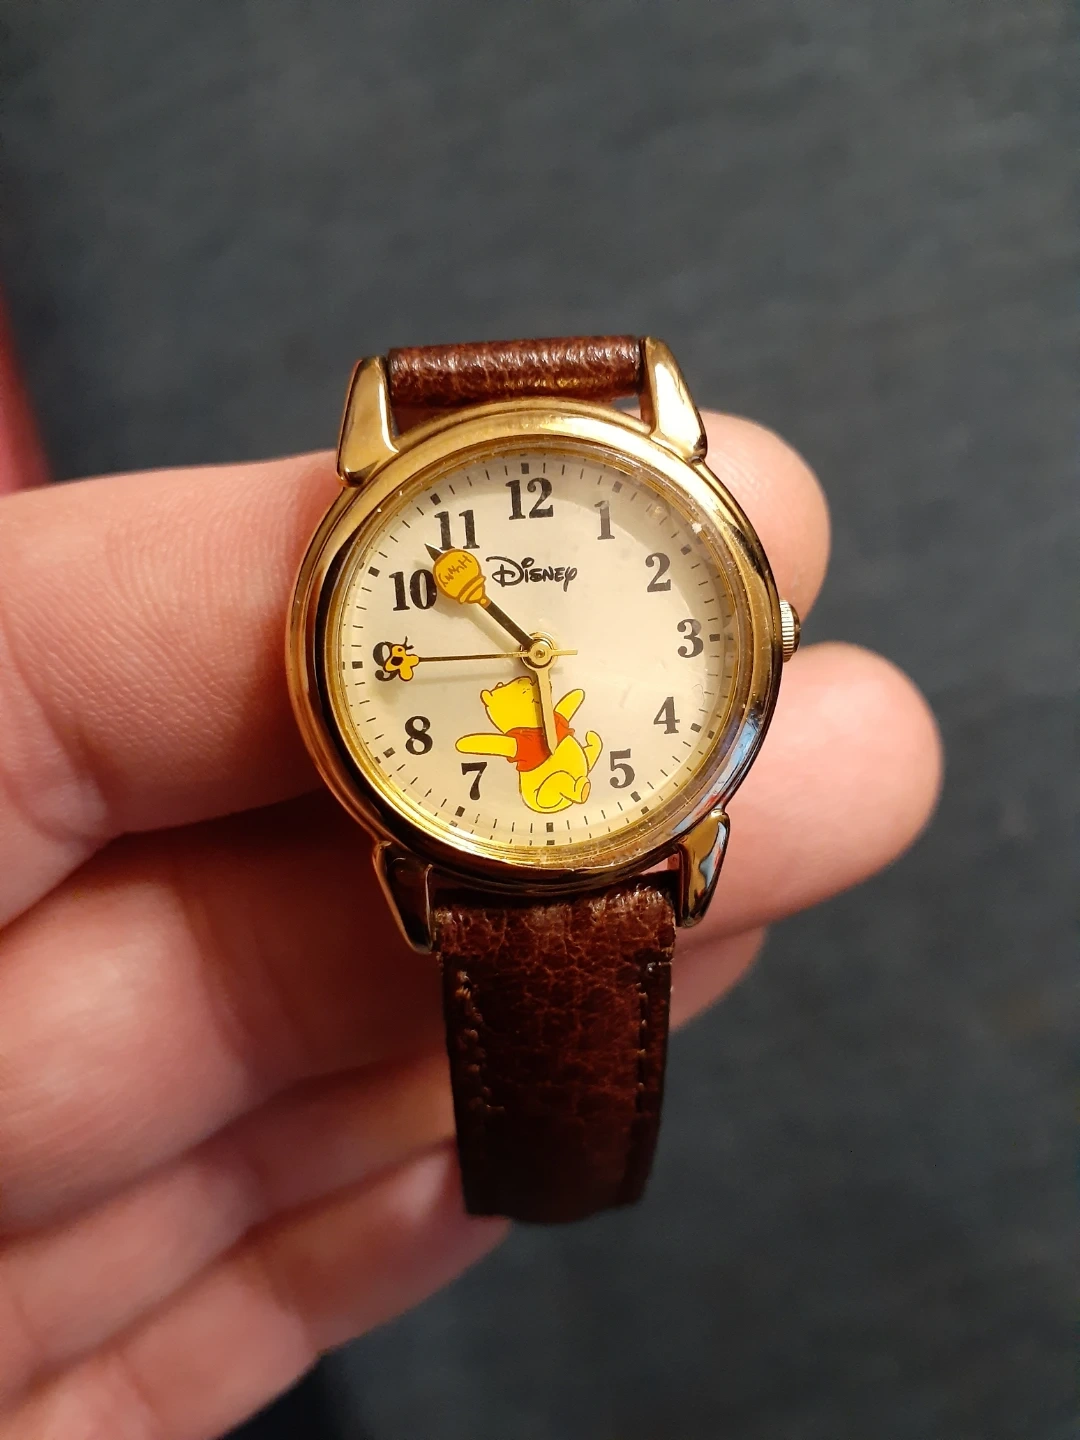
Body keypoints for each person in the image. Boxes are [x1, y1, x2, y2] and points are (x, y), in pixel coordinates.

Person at [0, 414, 941, 1439]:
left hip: (622, 829)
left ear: (765, 631)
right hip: (461, 846)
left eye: (541, 644)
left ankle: (566, 1178)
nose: (537, 650)